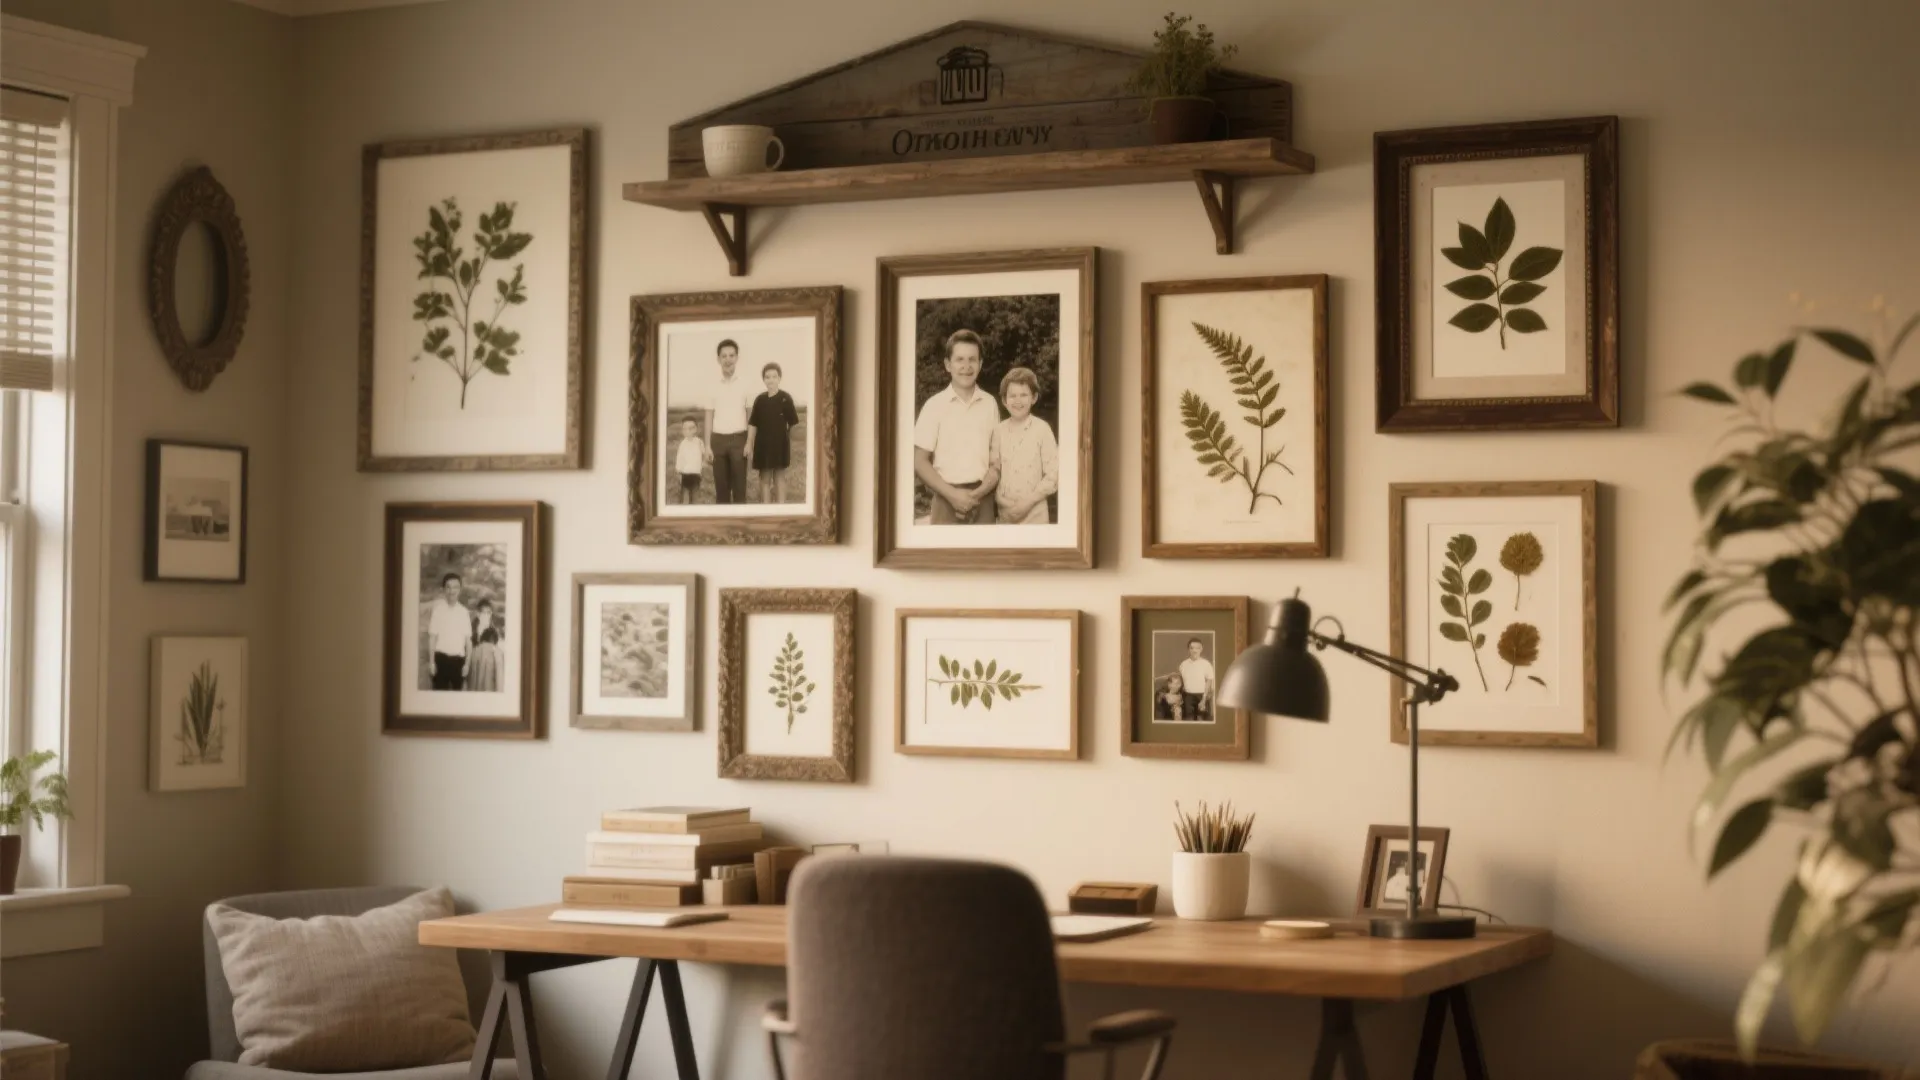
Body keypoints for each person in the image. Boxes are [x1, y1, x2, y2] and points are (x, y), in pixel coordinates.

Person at [912, 329, 1000, 524]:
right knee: (944, 555)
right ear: (947, 365)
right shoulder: (934, 405)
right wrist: (953, 495)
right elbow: (919, 461)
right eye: (959, 359)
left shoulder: (990, 403)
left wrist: (977, 494)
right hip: (945, 499)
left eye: (972, 359)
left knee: (984, 555)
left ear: (980, 364)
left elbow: (997, 461)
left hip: (982, 500)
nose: (966, 366)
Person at [980, 365, 1057, 525]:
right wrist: (1000, 500)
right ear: (1004, 400)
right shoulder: (998, 431)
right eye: (1012, 396)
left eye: (1024, 395)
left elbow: (1053, 476)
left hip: (1035, 514)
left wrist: (1026, 504)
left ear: (1034, 397)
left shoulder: (1042, 429)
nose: (1018, 401)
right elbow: (995, 470)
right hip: (1005, 514)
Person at [702, 338, 756, 505]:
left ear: (737, 358)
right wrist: (707, 446)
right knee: (721, 490)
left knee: (740, 490)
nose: (728, 359)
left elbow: (751, 417)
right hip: (718, 440)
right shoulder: (711, 384)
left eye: (731, 355)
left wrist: (749, 443)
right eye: (724, 356)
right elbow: (709, 417)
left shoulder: (746, 383)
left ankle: (741, 528)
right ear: (718, 359)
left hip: (739, 439)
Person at [747, 362, 800, 504]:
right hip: (762, 445)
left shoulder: (785, 398)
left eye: (774, 376)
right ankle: (766, 508)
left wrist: (787, 440)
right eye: (767, 377)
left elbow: (793, 422)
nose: (770, 380)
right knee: (764, 478)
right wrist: (749, 443)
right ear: (763, 379)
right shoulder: (760, 400)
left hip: (780, 444)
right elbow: (753, 423)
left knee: (779, 477)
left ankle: (780, 508)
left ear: (779, 378)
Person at [426, 571, 471, 691]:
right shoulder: (438, 611)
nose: (452, 591)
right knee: (439, 698)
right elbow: (432, 638)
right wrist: (431, 662)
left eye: (455, 587)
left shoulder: (464, 612)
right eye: (448, 587)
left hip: (458, 662)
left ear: (460, 590)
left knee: (457, 701)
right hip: (441, 660)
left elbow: (468, 641)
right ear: (444, 590)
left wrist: (467, 664)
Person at [1177, 638, 1216, 722]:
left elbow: (1209, 682)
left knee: (1201, 720)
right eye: (1192, 648)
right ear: (1188, 649)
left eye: (1197, 648)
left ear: (1201, 649)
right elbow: (1181, 681)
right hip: (1187, 696)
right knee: (1188, 720)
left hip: (1202, 696)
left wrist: (1204, 699)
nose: (1194, 650)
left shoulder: (1206, 664)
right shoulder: (1183, 664)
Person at [674, 417, 706, 504]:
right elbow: (679, 458)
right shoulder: (683, 444)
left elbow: (704, 454)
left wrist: (703, 465)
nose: (687, 431)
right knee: (685, 496)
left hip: (696, 474)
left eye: (691, 428)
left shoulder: (699, 442)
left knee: (695, 496)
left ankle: (694, 511)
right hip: (685, 474)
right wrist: (679, 472)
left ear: (696, 429)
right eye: (684, 429)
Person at [467, 627, 503, 692]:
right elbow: (499, 681)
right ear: (494, 639)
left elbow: (469, 679)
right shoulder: (497, 652)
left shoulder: (474, 651)